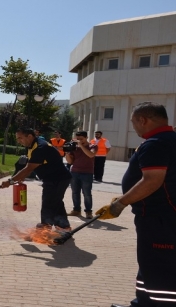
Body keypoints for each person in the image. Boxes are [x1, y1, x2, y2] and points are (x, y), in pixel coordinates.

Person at [95, 102, 176, 307]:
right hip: (159, 218)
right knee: (149, 263)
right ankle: (141, 303)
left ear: (143, 120)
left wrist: (120, 204)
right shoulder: (170, 139)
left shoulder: (156, 143)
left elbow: (152, 180)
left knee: (161, 268)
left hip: (161, 219)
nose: (134, 128)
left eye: (134, 123)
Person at [0, 127, 72, 232]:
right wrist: (22, 177)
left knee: (49, 202)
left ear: (29, 136)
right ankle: (63, 226)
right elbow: (31, 165)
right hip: (52, 178)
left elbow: (29, 167)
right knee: (55, 201)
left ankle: (46, 225)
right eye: (17, 138)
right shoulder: (31, 145)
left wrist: (10, 181)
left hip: (58, 178)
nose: (18, 141)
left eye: (20, 138)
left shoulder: (40, 147)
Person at [65, 131, 97, 219]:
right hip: (74, 172)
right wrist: (67, 152)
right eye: (77, 139)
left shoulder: (92, 146)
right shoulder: (74, 147)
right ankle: (76, 210)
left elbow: (91, 155)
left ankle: (88, 212)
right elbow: (70, 161)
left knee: (87, 193)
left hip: (87, 173)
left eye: (81, 139)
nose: (79, 141)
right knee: (75, 193)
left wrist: (81, 145)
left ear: (86, 137)